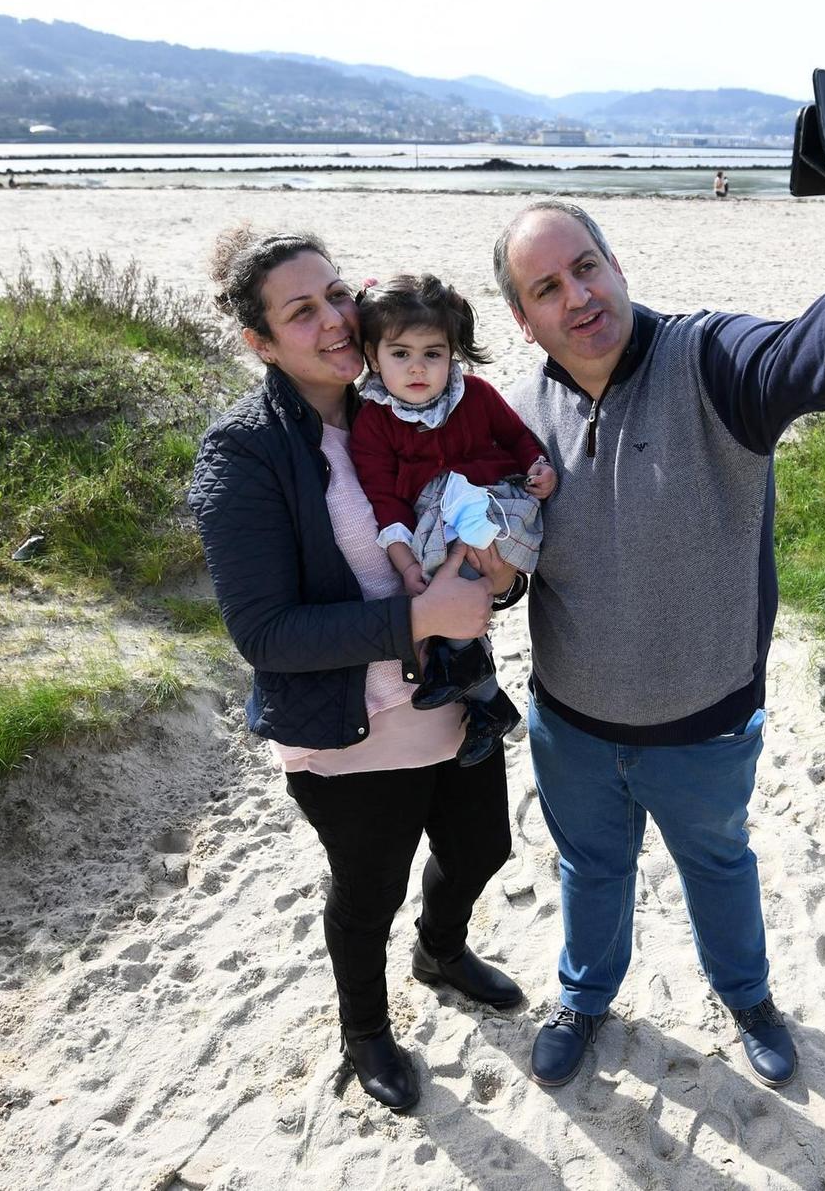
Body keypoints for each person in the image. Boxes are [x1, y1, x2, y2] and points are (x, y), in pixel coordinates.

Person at [490, 133, 825, 1090]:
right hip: (569, 720)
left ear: (618, 266)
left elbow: (812, 354)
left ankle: (747, 995)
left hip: (701, 724)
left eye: (587, 267)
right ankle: (584, 996)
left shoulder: (709, 363)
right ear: (523, 318)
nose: (578, 296)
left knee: (718, 867)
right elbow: (502, 561)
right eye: (548, 289)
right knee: (590, 871)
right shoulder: (512, 413)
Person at [187, 224, 528, 1114]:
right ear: (259, 343)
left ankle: (442, 951)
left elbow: (482, 509)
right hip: (349, 726)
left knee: (483, 846)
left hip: (452, 697)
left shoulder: (410, 399)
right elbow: (263, 632)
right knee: (368, 886)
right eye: (303, 311)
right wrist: (416, 616)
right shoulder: (245, 452)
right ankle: (366, 1028)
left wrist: (505, 571)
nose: (336, 319)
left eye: (337, 293)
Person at [349, 272, 557, 767]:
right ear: (373, 357)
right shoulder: (373, 420)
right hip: (431, 524)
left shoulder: (476, 395)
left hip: (493, 505)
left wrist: (537, 466)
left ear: (452, 354)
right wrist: (403, 563)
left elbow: (516, 436)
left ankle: (465, 669)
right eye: (400, 353)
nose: (417, 367)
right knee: (434, 593)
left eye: (433, 353)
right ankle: (487, 703)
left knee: (454, 590)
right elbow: (383, 496)